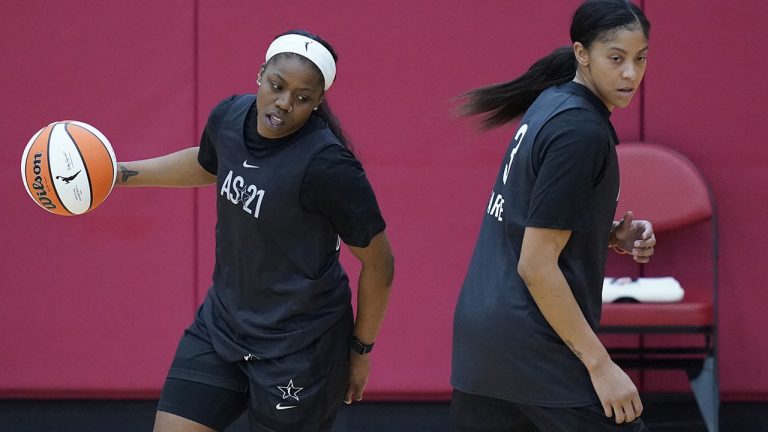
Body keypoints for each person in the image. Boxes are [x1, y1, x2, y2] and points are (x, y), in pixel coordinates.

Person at [116, 30, 394, 432]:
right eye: (277, 86)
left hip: (300, 347)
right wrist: (118, 174)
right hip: (223, 325)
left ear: (318, 102)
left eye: (302, 98)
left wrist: (360, 350)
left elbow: (380, 265)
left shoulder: (328, 167)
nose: (284, 104)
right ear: (260, 74)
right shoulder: (230, 116)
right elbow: (208, 163)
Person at [450, 1, 656, 431]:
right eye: (615, 59)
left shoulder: (553, 102)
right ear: (582, 53)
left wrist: (603, 234)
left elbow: (531, 224)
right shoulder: (579, 131)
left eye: (640, 59)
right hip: (536, 348)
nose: (630, 74)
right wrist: (601, 365)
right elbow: (536, 264)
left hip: (485, 343)